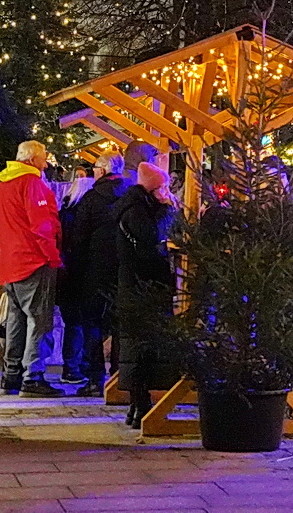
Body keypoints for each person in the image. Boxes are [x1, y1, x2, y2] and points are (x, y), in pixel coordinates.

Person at [0, 139, 64, 397]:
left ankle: (11, 375)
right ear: (33, 160)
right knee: (39, 320)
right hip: (33, 261)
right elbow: (42, 226)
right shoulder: (32, 184)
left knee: (16, 319)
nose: (46, 163)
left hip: (10, 263)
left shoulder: (5, 185)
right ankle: (33, 377)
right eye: (44, 158)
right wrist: (53, 257)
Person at [115, 161, 176, 428]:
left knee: (137, 347)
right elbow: (149, 247)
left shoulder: (130, 207)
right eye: (163, 187)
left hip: (132, 285)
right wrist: (166, 212)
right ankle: (140, 406)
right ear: (153, 189)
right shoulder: (139, 212)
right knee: (142, 349)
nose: (166, 192)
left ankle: (137, 407)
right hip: (142, 286)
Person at [60, 153, 126, 396]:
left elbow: (79, 239)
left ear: (101, 170)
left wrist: (74, 271)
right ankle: (120, 378)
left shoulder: (91, 198)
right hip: (123, 269)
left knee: (92, 325)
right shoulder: (130, 193)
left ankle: (94, 379)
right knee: (120, 324)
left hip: (94, 271)